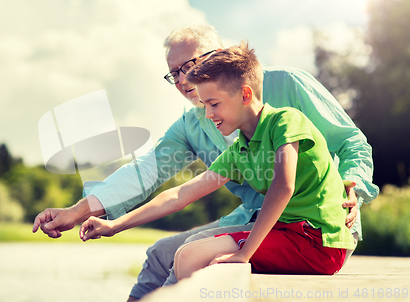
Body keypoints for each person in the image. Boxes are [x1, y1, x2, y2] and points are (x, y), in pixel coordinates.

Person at [32, 25, 379, 301]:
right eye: (174, 73)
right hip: (255, 222)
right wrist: (86, 214)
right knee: (158, 254)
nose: (183, 79)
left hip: (316, 229)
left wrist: (353, 185)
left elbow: (350, 142)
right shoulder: (194, 124)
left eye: (190, 65)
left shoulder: (284, 90)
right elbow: (157, 177)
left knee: (188, 258)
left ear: (220, 57)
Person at [80, 41, 356, 278]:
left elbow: (283, 187)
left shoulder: (285, 120)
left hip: (318, 242)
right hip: (286, 235)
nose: (208, 114)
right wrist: (115, 225)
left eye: (214, 104)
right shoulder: (240, 150)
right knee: (187, 254)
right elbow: (181, 194)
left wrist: (245, 253)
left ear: (245, 94)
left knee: (191, 257)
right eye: (204, 105)